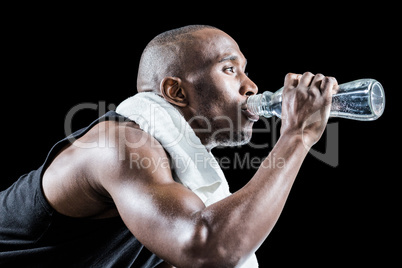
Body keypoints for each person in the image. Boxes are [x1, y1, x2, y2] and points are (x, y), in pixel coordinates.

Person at [0, 25, 338, 267]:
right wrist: (297, 136)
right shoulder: (119, 145)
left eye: (245, 71)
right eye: (229, 68)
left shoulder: (175, 179)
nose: (251, 86)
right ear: (176, 92)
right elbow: (205, 249)